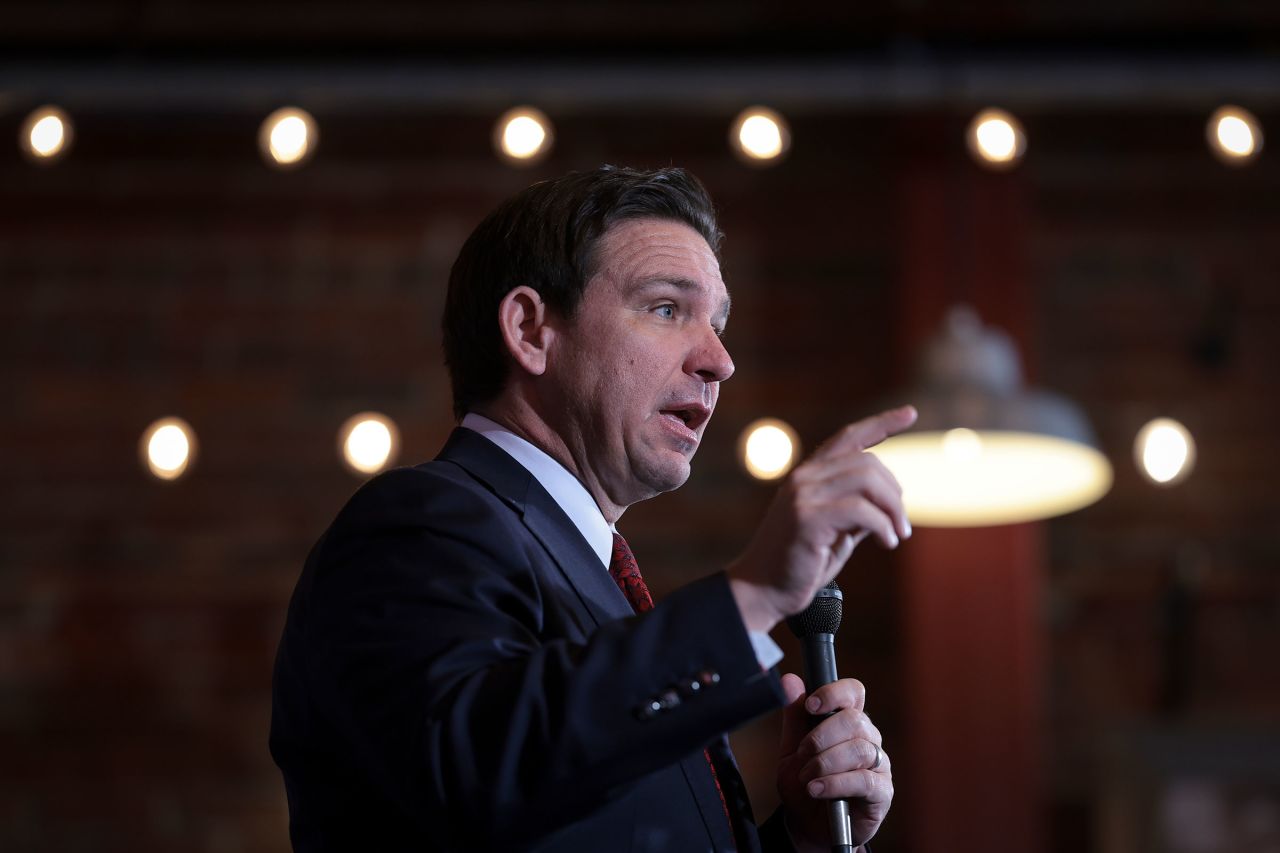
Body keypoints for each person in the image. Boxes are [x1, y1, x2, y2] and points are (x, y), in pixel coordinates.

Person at [269, 165, 915, 852]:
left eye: (719, 324)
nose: (720, 360)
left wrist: (802, 838)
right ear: (531, 330)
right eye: (667, 308)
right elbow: (473, 774)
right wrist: (752, 594)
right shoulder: (417, 524)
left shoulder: (605, 589)